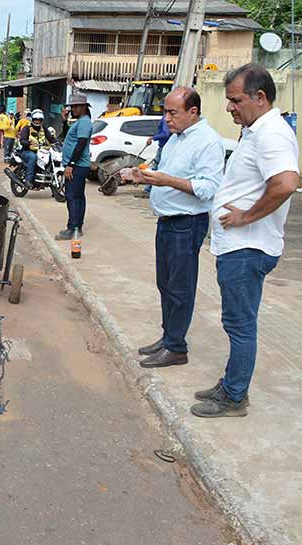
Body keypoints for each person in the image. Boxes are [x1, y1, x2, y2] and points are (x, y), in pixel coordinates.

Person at [191, 64, 299, 418]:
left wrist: (246, 216)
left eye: (235, 100)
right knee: (235, 321)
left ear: (260, 97)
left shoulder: (272, 133)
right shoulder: (256, 131)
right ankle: (230, 383)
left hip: (248, 247)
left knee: (240, 325)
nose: (229, 107)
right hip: (237, 246)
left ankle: (235, 396)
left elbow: (285, 183)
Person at [132, 87, 224, 369]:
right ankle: (168, 336)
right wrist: (139, 175)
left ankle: (176, 347)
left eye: (172, 113)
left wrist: (166, 181)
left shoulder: (208, 142)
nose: (166, 119)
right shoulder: (176, 138)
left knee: (180, 288)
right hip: (167, 222)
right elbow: (161, 170)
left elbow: (209, 188)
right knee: (165, 284)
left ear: (192, 112)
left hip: (187, 224)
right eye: (165, 113)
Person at [56, 93, 93, 240]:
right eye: (72, 107)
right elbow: (67, 138)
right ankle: (77, 226)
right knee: (77, 197)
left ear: (83, 107)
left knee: (72, 197)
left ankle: (73, 228)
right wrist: (64, 122)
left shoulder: (84, 122)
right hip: (78, 165)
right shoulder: (79, 122)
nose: (73, 109)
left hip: (77, 166)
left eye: (76, 106)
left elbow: (81, 144)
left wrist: (70, 164)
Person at [18, 109, 56, 187]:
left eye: (39, 120)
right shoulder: (27, 128)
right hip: (27, 151)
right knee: (33, 157)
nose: (37, 122)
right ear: (32, 119)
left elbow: (51, 138)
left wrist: (57, 143)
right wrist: (28, 143)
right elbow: (22, 140)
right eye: (35, 120)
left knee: (51, 156)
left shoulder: (44, 129)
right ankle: (28, 179)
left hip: (41, 151)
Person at [137, 115, 171, 199]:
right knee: (156, 168)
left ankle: (148, 190)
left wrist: (153, 138)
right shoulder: (166, 117)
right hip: (163, 146)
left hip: (164, 147)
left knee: (156, 168)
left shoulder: (166, 118)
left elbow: (165, 134)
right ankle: (149, 189)